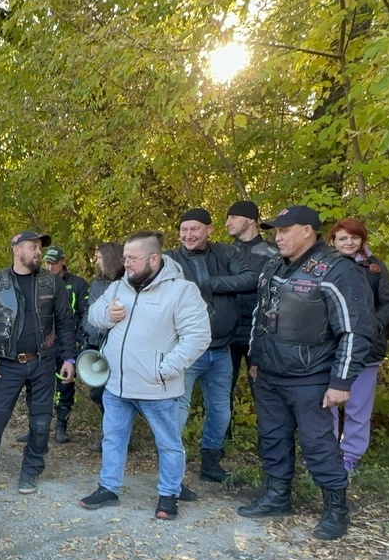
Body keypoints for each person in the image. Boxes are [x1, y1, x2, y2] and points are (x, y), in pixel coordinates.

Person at [238, 206, 373, 541]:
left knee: (318, 445)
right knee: (272, 439)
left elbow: (355, 330)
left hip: (311, 376)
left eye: (285, 230)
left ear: (308, 231)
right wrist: (255, 359)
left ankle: (335, 509)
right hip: (269, 374)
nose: (278, 236)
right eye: (275, 231)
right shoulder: (273, 265)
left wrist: (342, 382)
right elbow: (261, 315)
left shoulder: (337, 269)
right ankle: (276, 495)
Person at [78, 232, 210, 518]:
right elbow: (94, 315)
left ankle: (169, 494)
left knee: (168, 444)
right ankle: (108, 488)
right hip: (116, 385)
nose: (126, 264)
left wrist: (165, 369)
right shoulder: (119, 287)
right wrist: (107, 315)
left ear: (154, 258)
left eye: (132, 259)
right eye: (124, 258)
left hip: (157, 388)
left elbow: (198, 337)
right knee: (112, 438)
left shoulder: (181, 291)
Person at [0, 230, 77, 498]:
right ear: (16, 249)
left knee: (39, 423)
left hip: (44, 363)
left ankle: (30, 472)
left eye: (39, 247)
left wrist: (68, 358)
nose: (38, 252)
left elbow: (66, 323)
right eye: (33, 246)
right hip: (8, 365)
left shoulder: (53, 283)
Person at [165, 208, 257, 483]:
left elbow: (250, 279)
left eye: (195, 229)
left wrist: (206, 284)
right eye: (184, 230)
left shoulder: (226, 253)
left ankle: (211, 461)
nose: (188, 235)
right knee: (177, 412)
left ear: (209, 229)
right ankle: (173, 468)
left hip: (221, 350)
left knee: (220, 412)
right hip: (185, 351)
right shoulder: (171, 258)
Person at [326, 219, 389, 474]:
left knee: (358, 406)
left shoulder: (375, 268)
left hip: (366, 350)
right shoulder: (322, 267)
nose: (349, 243)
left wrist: (372, 325)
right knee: (327, 404)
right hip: (329, 350)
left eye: (354, 238)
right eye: (343, 238)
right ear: (332, 241)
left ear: (362, 240)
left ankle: (351, 456)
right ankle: (326, 453)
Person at [224, 200, 278, 429]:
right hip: (227, 332)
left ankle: (269, 442)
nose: (227, 223)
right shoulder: (223, 252)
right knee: (221, 390)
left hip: (261, 332)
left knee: (264, 390)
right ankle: (219, 443)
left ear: (250, 220)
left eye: (233, 217)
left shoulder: (273, 253)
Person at [44, 245, 91, 443]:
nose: (50, 267)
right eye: (47, 262)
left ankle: (61, 425)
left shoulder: (78, 284)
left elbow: (87, 313)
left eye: (54, 263)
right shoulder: (39, 282)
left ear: (63, 261)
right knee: (38, 386)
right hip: (43, 343)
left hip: (67, 343)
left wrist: (79, 338)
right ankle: (38, 427)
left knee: (64, 384)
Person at [82, 242, 126, 414]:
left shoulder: (125, 284)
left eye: (100, 258)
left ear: (110, 258)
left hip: (112, 345)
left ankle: (114, 435)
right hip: (93, 343)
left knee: (107, 394)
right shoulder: (97, 282)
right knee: (98, 393)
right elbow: (89, 309)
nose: (97, 262)